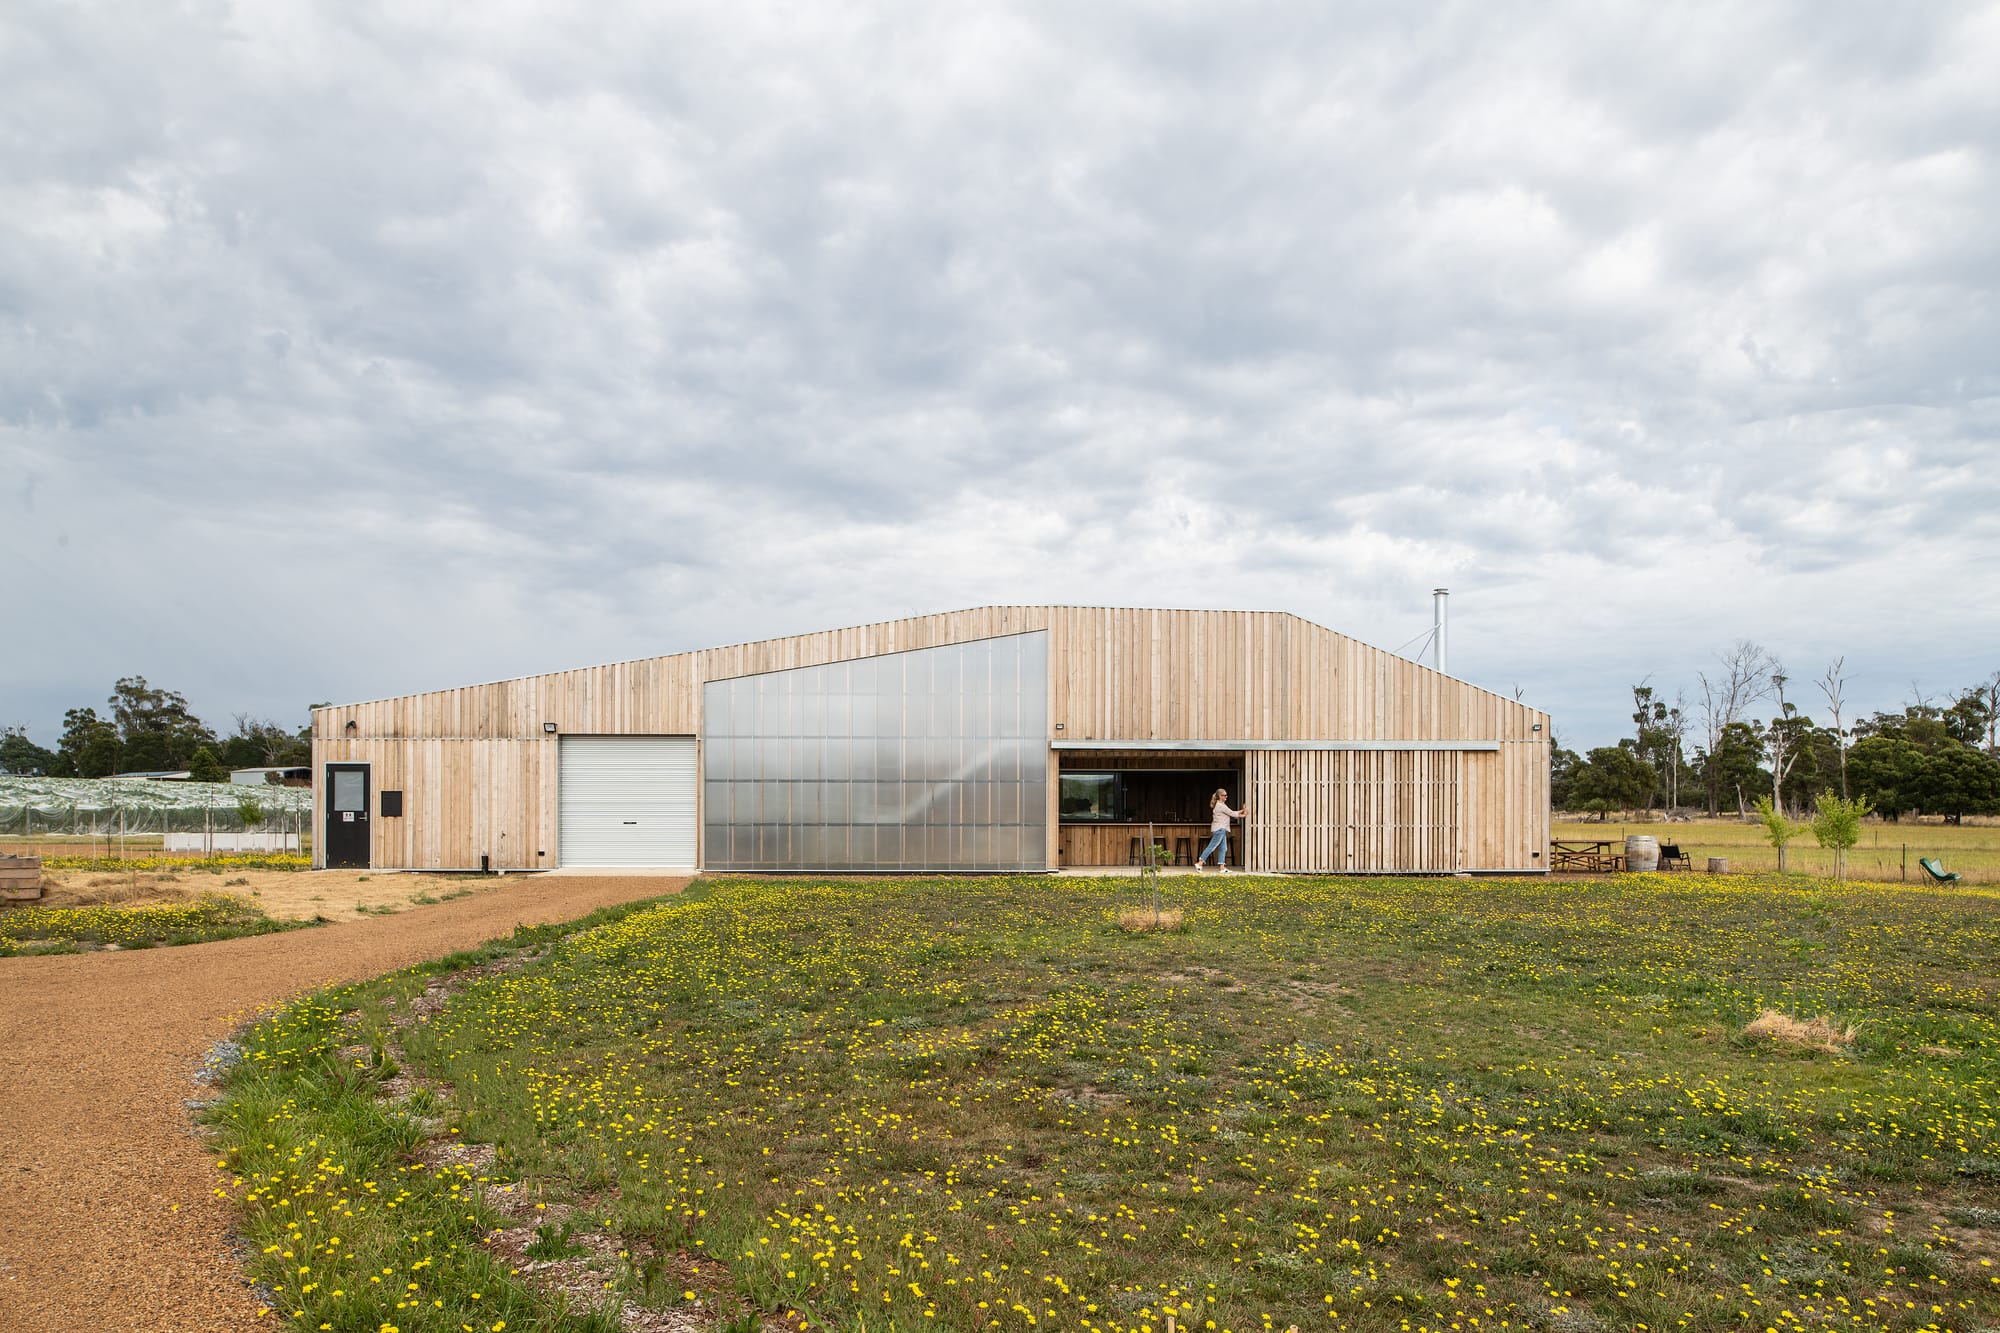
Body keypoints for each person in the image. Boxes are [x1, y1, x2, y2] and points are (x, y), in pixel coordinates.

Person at [1194, 787, 1247, 872]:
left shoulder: (1221, 805)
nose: (1226, 797)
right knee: (1212, 846)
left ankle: (1222, 867)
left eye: (1226, 795)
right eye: (1224, 795)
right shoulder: (1220, 805)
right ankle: (1199, 863)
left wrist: (1242, 813)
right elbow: (1232, 813)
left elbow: (1231, 813)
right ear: (1220, 796)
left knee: (1223, 848)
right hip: (1220, 829)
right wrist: (1243, 812)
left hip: (1221, 829)